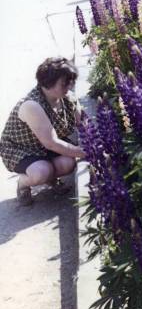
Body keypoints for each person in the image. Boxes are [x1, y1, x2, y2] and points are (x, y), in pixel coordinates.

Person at [0, 58, 85, 206]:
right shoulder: (32, 105)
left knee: (68, 164)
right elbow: (51, 143)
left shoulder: (67, 97)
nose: (69, 86)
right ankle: (23, 183)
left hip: (45, 146)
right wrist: (85, 152)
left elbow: (84, 124)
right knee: (41, 172)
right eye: (65, 82)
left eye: (71, 81)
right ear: (49, 82)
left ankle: (51, 178)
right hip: (22, 148)